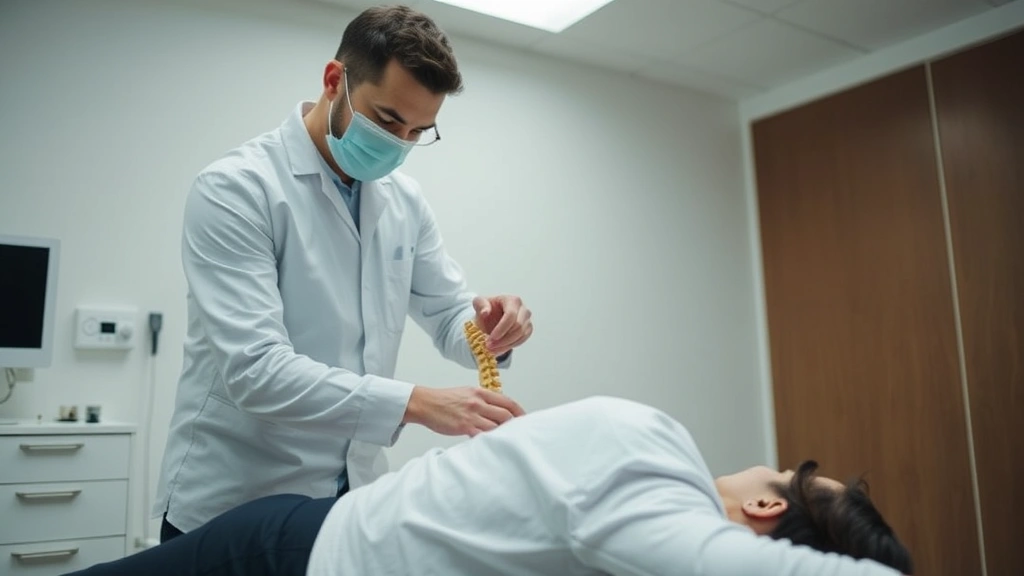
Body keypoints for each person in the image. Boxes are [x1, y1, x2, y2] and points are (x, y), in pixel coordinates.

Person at [153, 4, 534, 542]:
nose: (399, 143)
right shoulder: (238, 189)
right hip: (239, 498)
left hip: (350, 501)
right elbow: (257, 372)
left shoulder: (404, 202)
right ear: (336, 81)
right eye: (386, 120)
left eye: (418, 131)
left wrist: (491, 329)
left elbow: (449, 314)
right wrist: (417, 404)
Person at [71, 396, 914, 576]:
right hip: (289, 546)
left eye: (788, 472)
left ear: (768, 505)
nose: (769, 460)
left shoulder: (663, 466)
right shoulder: (650, 492)